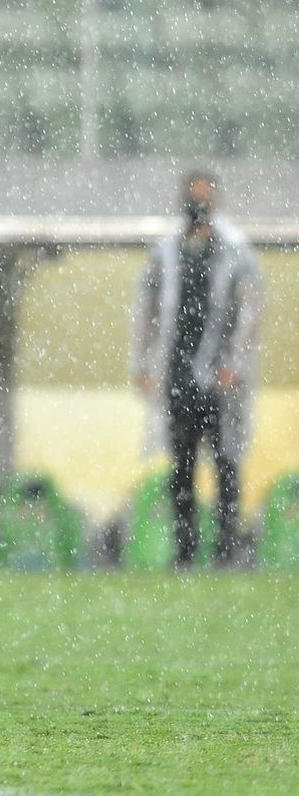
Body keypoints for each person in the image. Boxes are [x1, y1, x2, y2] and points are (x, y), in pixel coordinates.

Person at [132, 171, 264, 567]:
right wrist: (142, 364)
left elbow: (250, 310)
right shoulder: (168, 253)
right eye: (194, 197)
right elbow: (146, 310)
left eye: (205, 198)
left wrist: (233, 364)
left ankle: (227, 549)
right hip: (178, 376)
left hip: (223, 382)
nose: (199, 206)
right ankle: (185, 551)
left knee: (226, 462)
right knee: (182, 467)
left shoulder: (235, 251)